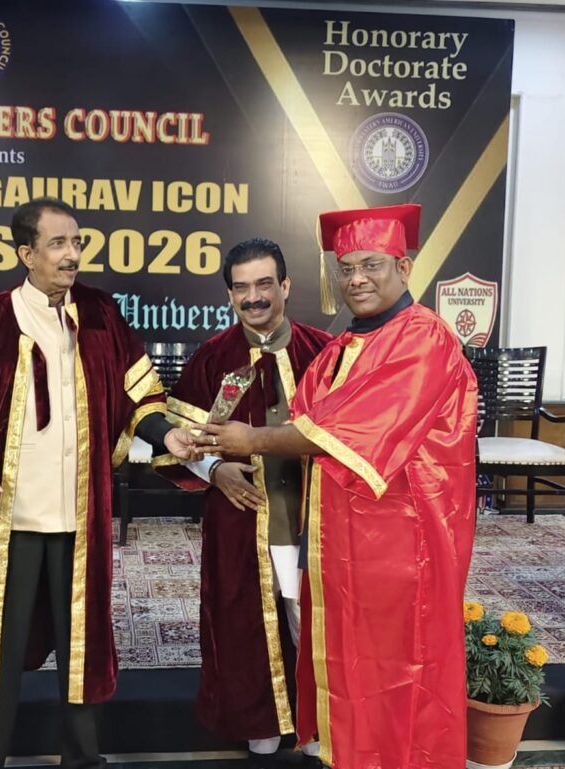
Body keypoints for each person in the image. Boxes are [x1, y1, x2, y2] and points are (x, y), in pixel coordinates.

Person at [193, 204, 478, 769]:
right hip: (340, 541)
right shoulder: (342, 348)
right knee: (345, 657)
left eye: (371, 265)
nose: (356, 279)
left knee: (401, 669)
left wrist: (251, 439)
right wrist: (211, 458)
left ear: (404, 266)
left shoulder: (421, 338)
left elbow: (340, 433)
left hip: (404, 544)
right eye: (346, 268)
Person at [0, 197, 195, 769]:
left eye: (77, 242)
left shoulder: (100, 313)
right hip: (10, 517)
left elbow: (140, 394)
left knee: (82, 645)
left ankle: (82, 757)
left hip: (80, 515)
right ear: (26, 254)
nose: (72, 254)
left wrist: (165, 433)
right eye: (58, 244)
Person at [155, 238, 330, 764]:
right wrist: (215, 469)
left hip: (312, 518)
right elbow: (178, 442)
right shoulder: (212, 358)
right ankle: (259, 723)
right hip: (241, 517)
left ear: (286, 286)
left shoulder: (323, 352)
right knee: (243, 622)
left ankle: (317, 723)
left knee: (313, 621)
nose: (253, 297)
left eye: (264, 284)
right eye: (241, 288)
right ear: (229, 294)